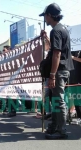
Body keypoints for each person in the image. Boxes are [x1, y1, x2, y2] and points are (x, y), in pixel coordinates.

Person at [39, 3, 74, 139]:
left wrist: (52, 75)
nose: (45, 19)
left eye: (45, 16)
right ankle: (54, 126)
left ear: (49, 15)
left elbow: (57, 54)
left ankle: (61, 130)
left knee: (58, 100)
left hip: (59, 71)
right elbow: (54, 48)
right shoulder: (61, 29)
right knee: (55, 100)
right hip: (62, 70)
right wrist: (46, 38)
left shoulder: (57, 30)